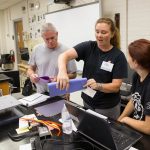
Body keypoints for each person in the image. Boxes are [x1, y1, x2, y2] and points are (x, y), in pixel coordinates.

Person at [57, 18, 127, 119]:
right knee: (89, 130)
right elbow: (63, 56)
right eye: (97, 31)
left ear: (112, 34)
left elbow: (116, 86)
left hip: (107, 106)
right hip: (88, 100)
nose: (99, 35)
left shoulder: (118, 56)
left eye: (104, 32)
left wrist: (99, 86)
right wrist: (62, 71)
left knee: (105, 133)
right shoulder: (89, 47)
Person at [27, 23, 77, 95]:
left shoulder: (67, 51)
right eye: (47, 39)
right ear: (42, 37)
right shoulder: (36, 49)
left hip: (60, 93)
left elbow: (73, 74)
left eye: (52, 38)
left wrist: (59, 78)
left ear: (57, 34)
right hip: (41, 93)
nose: (50, 41)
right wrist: (32, 75)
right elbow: (30, 69)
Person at [118, 39, 150, 135]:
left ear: (135, 62)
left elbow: (148, 128)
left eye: (128, 56)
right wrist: (119, 120)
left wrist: (125, 119)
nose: (127, 59)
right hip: (137, 129)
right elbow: (134, 99)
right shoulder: (137, 75)